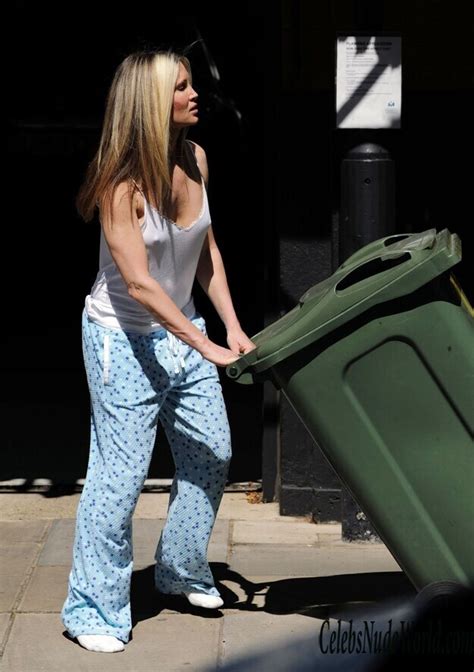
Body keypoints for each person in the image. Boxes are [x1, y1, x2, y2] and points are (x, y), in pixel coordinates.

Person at [60, 48, 256, 653]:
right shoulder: (121, 182)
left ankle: (179, 567)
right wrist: (203, 343)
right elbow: (141, 283)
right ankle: (91, 608)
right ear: (149, 104)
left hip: (185, 330)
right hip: (122, 337)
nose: (194, 94)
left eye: (191, 83)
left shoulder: (195, 158)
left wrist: (233, 329)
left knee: (212, 453)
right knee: (118, 480)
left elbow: (206, 253)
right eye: (179, 87)